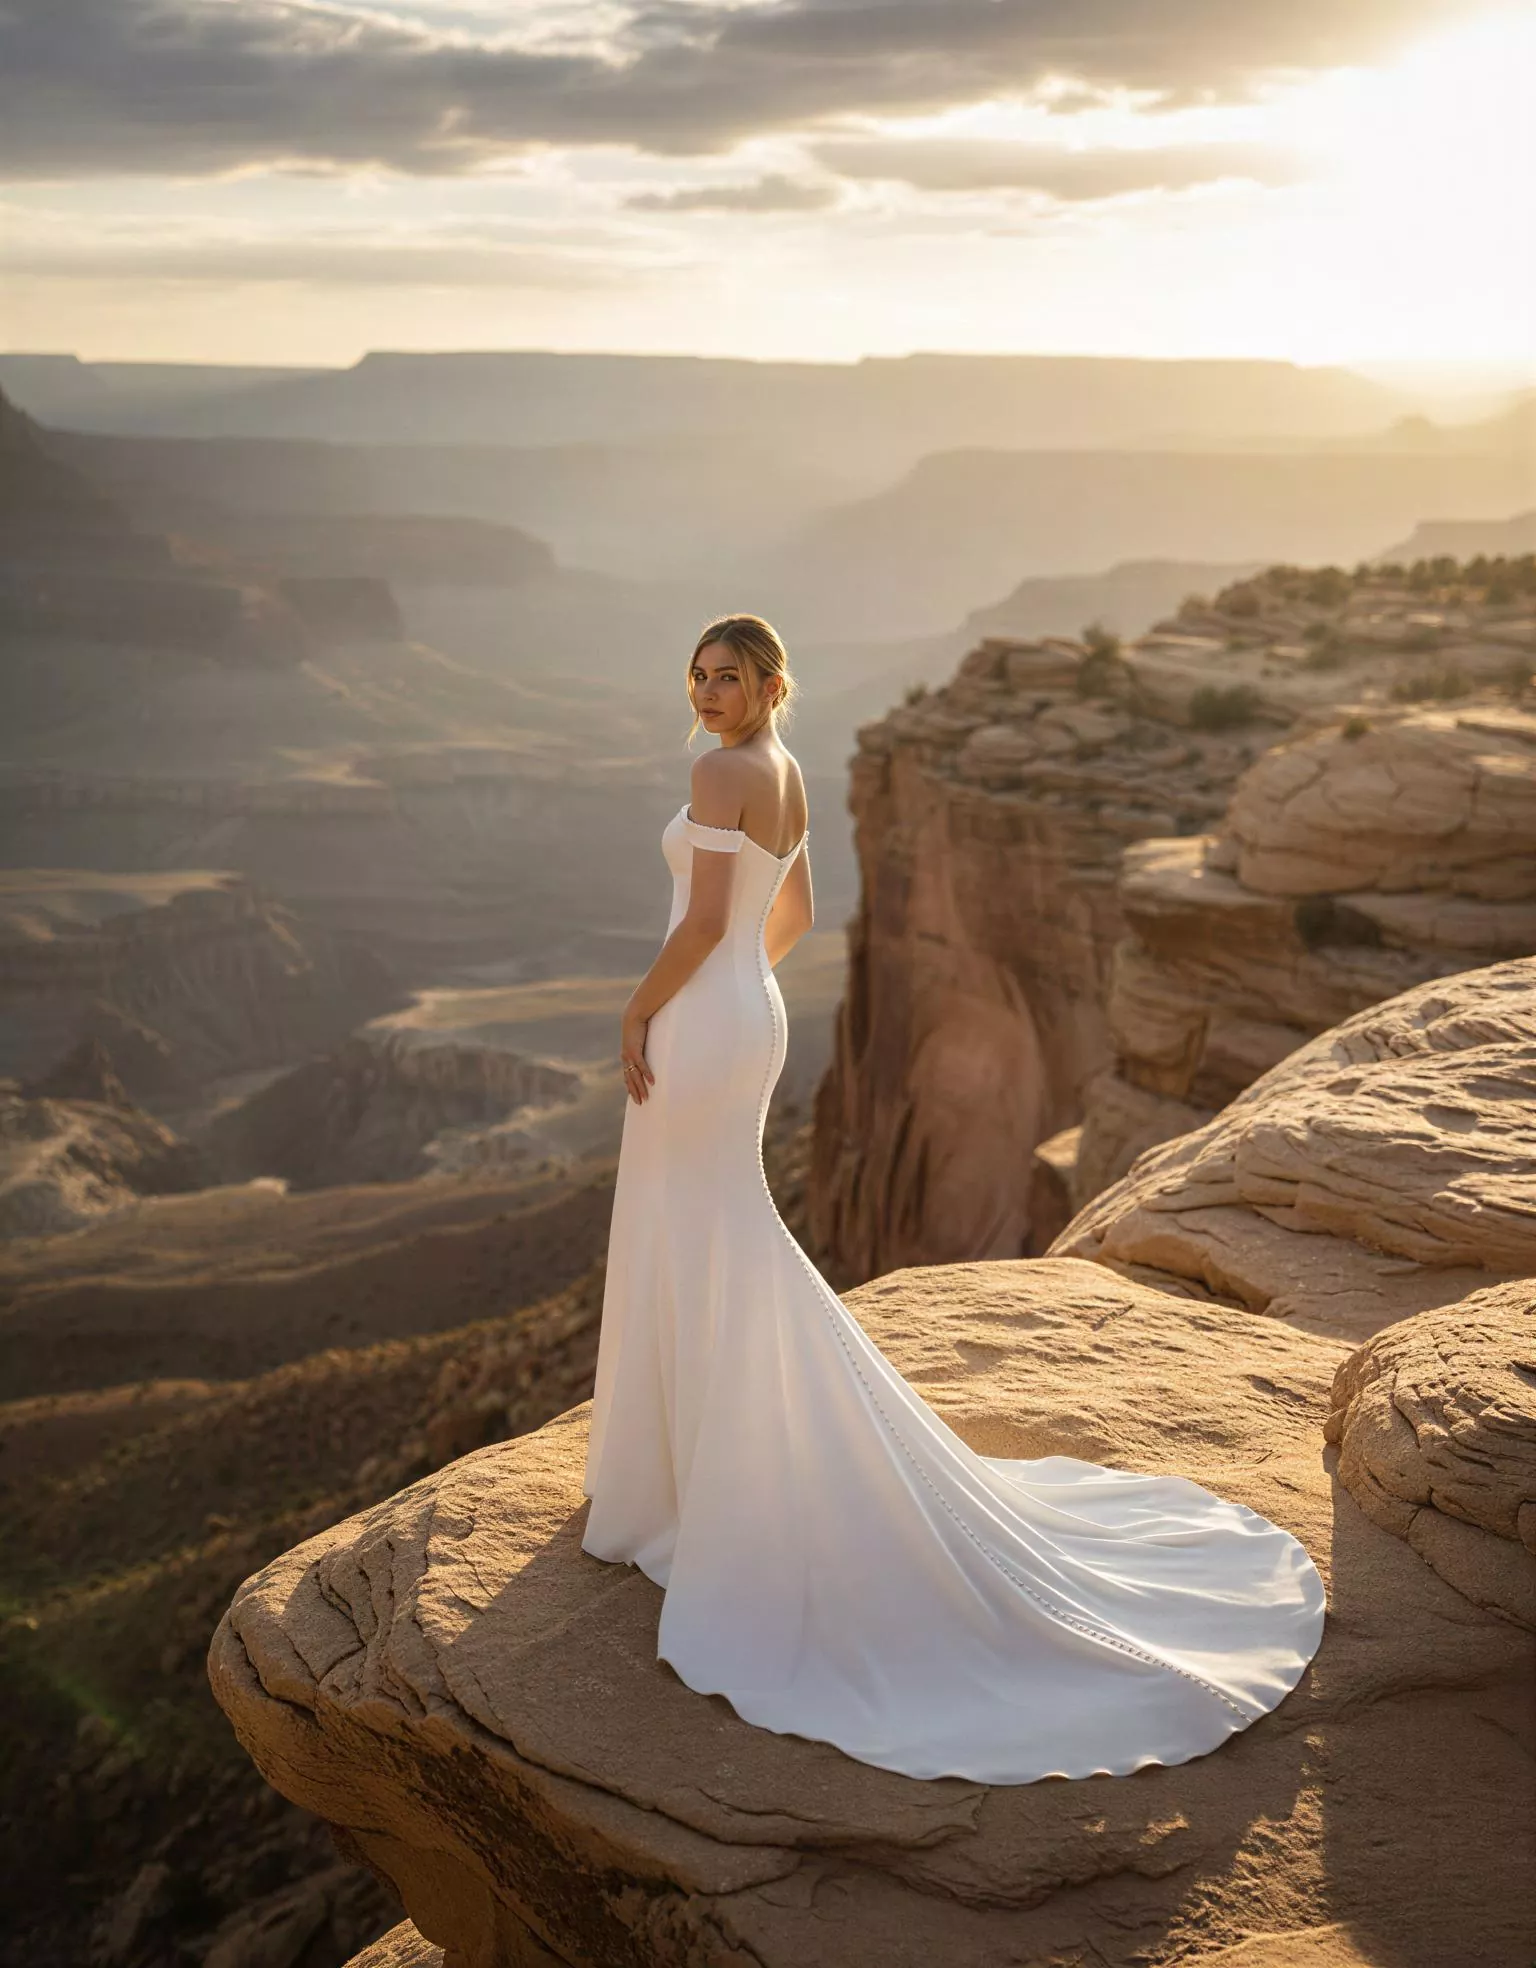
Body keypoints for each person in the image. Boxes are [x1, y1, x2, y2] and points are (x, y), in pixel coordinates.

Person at [580, 612, 1325, 1784]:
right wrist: (733, 991)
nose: (709, 691)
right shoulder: (782, 769)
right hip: (743, 1016)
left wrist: (640, 1008)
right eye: (699, 675)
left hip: (699, 1018)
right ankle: (716, 1465)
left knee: (694, 1226)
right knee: (721, 1225)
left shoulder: (722, 773)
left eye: (730, 676)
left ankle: (678, 1482)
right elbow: (791, 918)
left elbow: (715, 921)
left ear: (770, 684)